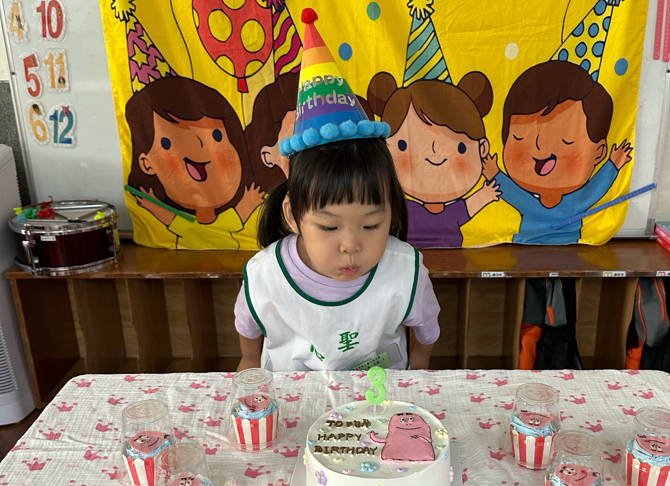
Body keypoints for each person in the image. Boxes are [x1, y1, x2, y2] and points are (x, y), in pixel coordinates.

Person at [234, 137, 440, 371]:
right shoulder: (264, 275)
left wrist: (421, 359)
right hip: (293, 388)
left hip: (378, 388)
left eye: (371, 225)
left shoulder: (405, 269)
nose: (350, 246)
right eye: (329, 227)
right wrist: (249, 360)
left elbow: (427, 328)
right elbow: (248, 336)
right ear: (292, 215)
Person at [482, 61, 632, 244]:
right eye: (519, 138)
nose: (539, 148)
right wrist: (494, 174)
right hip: (522, 244)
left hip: (572, 243)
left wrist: (613, 165)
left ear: (598, 152)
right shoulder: (531, 202)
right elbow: (513, 193)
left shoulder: (577, 201)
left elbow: (595, 189)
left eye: (566, 140)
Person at [125, 76, 263, 249]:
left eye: (217, 136)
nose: (201, 146)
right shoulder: (187, 224)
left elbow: (177, 223)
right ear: (147, 163)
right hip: (179, 259)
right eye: (167, 143)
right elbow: (231, 220)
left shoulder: (188, 224)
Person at [367, 72, 500, 248]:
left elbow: (466, 209)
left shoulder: (444, 211)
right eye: (403, 145)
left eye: (460, 147)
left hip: (455, 254)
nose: (434, 156)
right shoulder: (403, 206)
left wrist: (484, 195)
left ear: (482, 149)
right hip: (406, 253)